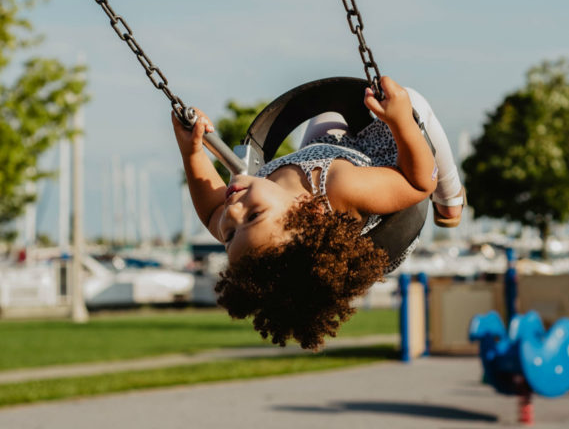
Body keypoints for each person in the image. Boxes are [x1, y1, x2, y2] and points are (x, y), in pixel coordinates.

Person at [172, 76, 465, 350]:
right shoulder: (341, 187)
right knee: (413, 103)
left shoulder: (256, 225)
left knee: (330, 110)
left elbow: (212, 211)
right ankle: (451, 198)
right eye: (253, 215)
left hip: (324, 150)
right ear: (309, 213)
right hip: (387, 163)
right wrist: (401, 121)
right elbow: (418, 183)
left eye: (230, 233)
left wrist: (192, 152)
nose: (233, 212)